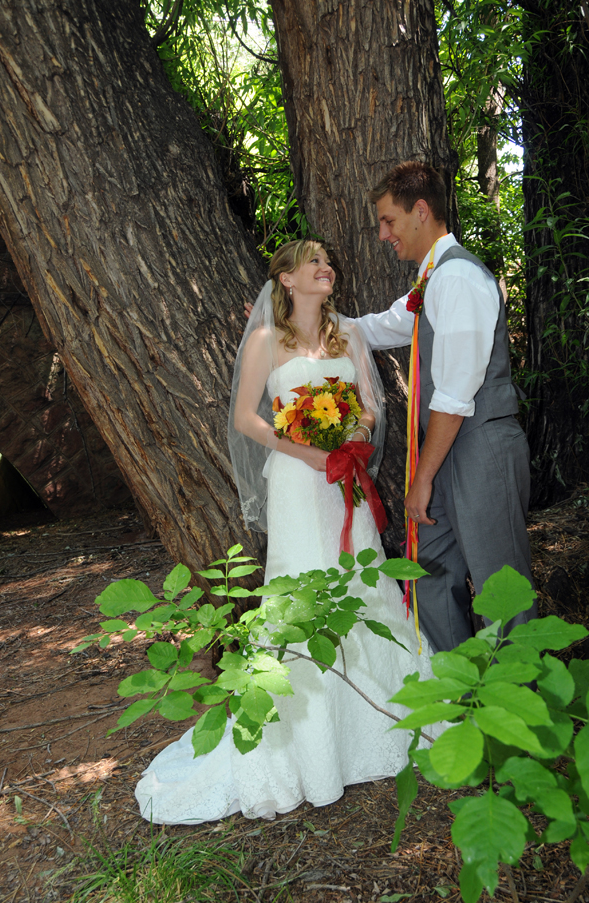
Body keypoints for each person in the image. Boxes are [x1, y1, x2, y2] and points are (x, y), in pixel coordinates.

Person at [135, 239, 440, 826]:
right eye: (314, 262)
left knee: (362, 580)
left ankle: (383, 719)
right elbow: (247, 416)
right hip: (298, 484)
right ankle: (310, 749)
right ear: (287, 279)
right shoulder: (264, 343)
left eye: (329, 259)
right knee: (302, 585)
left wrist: (350, 424)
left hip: (341, 474)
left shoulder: (347, 334)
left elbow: (373, 405)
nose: (327, 268)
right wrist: (298, 445)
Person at [352, 161, 536, 652]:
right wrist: (296, 317)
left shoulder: (457, 279)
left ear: (420, 210)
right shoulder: (431, 281)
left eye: (388, 221)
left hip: (481, 450)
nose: (382, 234)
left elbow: (454, 397)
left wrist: (423, 477)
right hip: (449, 449)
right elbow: (375, 328)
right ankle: (457, 699)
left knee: (502, 589)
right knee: (431, 573)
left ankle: (516, 713)